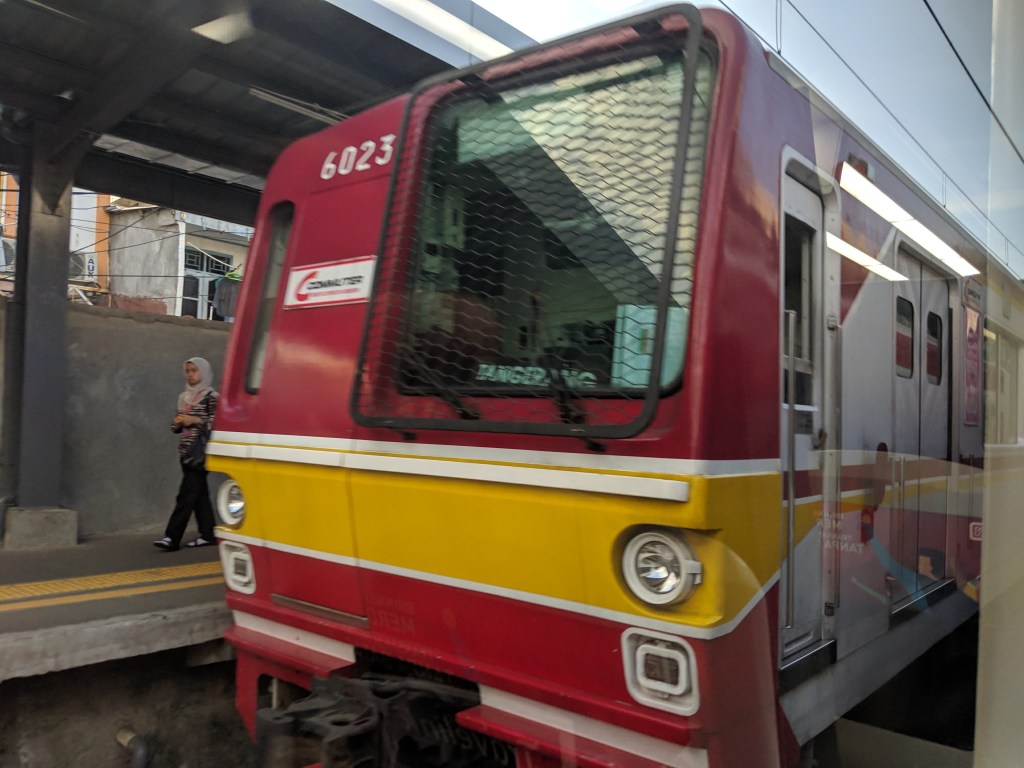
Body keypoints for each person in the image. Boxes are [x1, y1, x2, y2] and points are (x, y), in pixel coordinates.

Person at [153, 357, 219, 551]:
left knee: (186, 495)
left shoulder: (211, 396)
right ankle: (208, 534)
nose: (190, 374)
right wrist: (177, 423)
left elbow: (218, 424)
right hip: (185, 451)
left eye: (195, 371)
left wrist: (196, 420)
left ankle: (171, 537)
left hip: (201, 453)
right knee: (199, 495)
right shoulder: (184, 397)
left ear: (204, 373)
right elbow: (177, 426)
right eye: (188, 371)